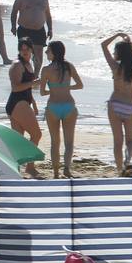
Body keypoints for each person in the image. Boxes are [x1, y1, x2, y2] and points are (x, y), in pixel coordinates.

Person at [40, 41, 83, 179]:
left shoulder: (46, 70)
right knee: (69, 142)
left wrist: (54, 89)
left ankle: (56, 173)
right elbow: (80, 85)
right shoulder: (69, 66)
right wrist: (66, 88)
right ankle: (67, 170)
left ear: (54, 52)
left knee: (55, 142)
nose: (46, 53)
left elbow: (42, 92)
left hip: (53, 107)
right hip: (69, 106)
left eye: (48, 51)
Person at [101, 32, 132, 174]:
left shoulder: (115, 67)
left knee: (117, 141)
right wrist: (129, 42)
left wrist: (117, 35)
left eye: (115, 51)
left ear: (119, 53)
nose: (113, 53)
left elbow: (103, 45)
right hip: (130, 106)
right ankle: (127, 162)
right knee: (130, 141)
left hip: (115, 104)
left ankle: (119, 170)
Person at [6, 39, 44, 177]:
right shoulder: (17, 65)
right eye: (22, 49)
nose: (25, 51)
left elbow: (27, 87)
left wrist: (33, 103)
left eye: (27, 49)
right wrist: (35, 82)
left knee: (18, 140)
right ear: (19, 50)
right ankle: (30, 166)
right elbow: (16, 87)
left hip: (23, 103)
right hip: (17, 103)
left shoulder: (29, 64)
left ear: (32, 50)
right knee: (36, 134)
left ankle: (14, 168)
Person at [10, 0, 53, 74]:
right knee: (25, 53)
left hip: (39, 30)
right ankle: (25, 73)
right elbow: (14, 12)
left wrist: (50, 29)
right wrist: (13, 26)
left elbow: (48, 16)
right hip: (24, 30)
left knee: (38, 54)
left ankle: (36, 75)